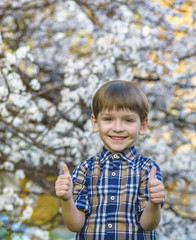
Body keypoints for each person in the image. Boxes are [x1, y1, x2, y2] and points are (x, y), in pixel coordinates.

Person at [55, 80, 165, 240]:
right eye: (108, 119)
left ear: (142, 125)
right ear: (95, 123)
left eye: (128, 120)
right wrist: (66, 200)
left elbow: (148, 224)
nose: (118, 128)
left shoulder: (148, 170)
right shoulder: (84, 170)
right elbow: (75, 225)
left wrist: (155, 204)